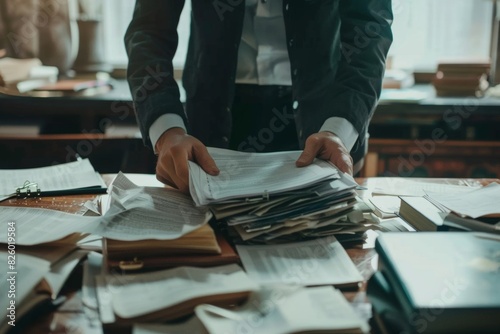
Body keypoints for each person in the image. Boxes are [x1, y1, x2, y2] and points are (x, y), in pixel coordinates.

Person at [125, 0, 393, 193]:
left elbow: (372, 28)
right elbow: (148, 33)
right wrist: (167, 130)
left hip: (326, 122)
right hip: (209, 125)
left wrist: (339, 130)